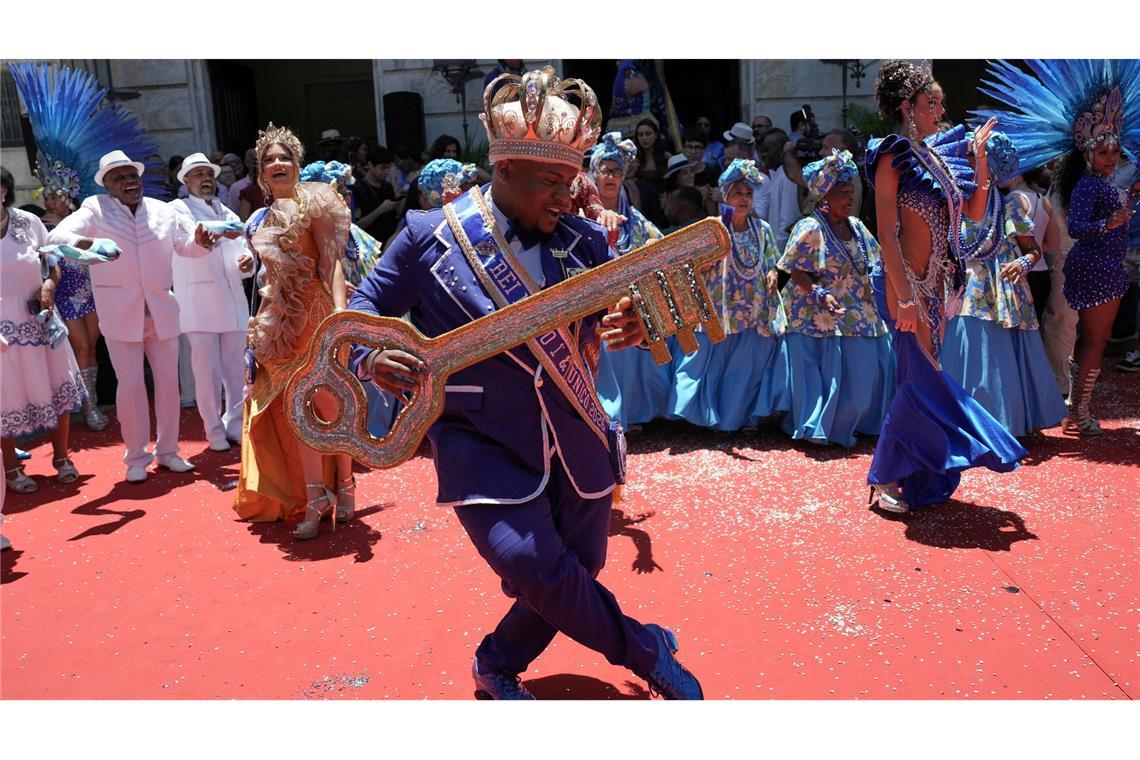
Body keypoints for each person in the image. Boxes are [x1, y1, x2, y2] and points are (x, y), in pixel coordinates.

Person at [351, 66, 702, 700]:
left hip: (576, 433)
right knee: (532, 565)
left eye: (572, 181)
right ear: (503, 170)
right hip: (478, 440)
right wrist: (369, 362)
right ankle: (644, 650)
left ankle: (496, 661)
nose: (567, 196)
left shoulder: (583, 239)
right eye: (550, 181)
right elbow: (353, 322)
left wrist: (631, 322)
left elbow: (624, 310)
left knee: (577, 571)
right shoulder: (427, 238)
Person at [864, 60, 1026, 513]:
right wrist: (906, 295)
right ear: (906, 107)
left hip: (937, 289)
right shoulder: (890, 153)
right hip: (904, 284)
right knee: (919, 381)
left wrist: (978, 160)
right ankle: (887, 478)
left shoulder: (937, 158)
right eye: (929, 101)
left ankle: (916, 470)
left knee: (918, 378)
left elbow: (973, 213)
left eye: (940, 101)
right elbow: (887, 233)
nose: (939, 108)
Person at [974, 59, 1140, 434]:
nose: (1111, 159)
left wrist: (1128, 198)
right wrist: (1108, 222)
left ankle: (1076, 407)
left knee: (1092, 338)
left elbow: (1106, 220)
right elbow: (1079, 227)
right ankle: (1077, 412)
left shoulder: (1100, 184)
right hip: (1095, 267)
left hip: (1106, 266)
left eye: (1115, 153)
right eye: (1104, 153)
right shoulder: (1086, 186)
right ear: (1086, 154)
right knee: (1093, 339)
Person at [47, 150, 202, 482]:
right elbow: (56, 237)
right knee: (130, 388)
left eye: (132, 175)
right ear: (107, 185)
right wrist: (88, 243)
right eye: (119, 177)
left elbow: (187, 247)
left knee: (169, 387)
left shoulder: (163, 211)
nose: (129, 181)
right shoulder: (95, 208)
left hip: (162, 312)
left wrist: (203, 241)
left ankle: (169, 451)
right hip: (120, 315)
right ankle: (135, 458)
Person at [233, 123, 355, 540]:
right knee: (296, 410)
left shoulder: (316, 201)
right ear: (261, 172)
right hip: (278, 320)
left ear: (297, 164)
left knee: (330, 405)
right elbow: (268, 268)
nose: (278, 164)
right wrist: (252, 269)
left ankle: (346, 484)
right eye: (269, 159)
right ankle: (315, 495)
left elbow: (331, 261)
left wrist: (340, 311)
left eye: (284, 157)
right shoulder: (262, 217)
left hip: (315, 317)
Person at [940, 133, 1068, 437]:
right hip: (966, 292)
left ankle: (999, 425)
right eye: (970, 156)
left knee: (996, 362)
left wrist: (1021, 264)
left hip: (1003, 294)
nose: (967, 162)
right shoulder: (956, 204)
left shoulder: (1009, 206)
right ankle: (966, 423)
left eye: (974, 157)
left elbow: (1034, 249)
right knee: (967, 357)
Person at [777, 150, 893, 447]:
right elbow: (794, 271)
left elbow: (878, 261)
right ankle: (820, 428)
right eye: (843, 191)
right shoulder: (810, 227)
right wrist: (819, 293)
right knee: (826, 380)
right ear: (825, 196)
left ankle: (861, 424)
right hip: (819, 315)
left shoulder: (856, 226)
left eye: (851, 190)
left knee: (866, 379)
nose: (850, 196)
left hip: (861, 312)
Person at [669, 159, 787, 431]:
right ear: (726, 195)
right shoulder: (714, 227)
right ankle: (706, 418)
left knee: (745, 370)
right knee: (713, 365)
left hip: (753, 309)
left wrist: (772, 275)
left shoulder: (763, 229)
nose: (744, 199)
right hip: (719, 307)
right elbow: (692, 266)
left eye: (748, 194)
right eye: (737, 193)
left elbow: (774, 262)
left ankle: (739, 418)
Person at [2, 166, 85, 493]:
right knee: (4, 397)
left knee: (56, 383)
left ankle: (62, 458)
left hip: (40, 316)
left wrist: (49, 285)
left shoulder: (28, 221)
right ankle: (10, 469)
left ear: (4, 190)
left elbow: (51, 261)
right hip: (2, 328)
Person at [168, 153, 254, 452]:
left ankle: (235, 422)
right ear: (186, 180)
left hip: (232, 300)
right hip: (199, 300)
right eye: (198, 174)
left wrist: (248, 262)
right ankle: (213, 428)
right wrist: (206, 240)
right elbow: (184, 247)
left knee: (236, 370)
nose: (206, 179)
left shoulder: (227, 211)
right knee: (207, 372)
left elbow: (243, 248)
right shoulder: (176, 211)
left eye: (209, 174)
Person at [588, 132, 671, 431]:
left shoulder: (634, 219)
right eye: (605, 170)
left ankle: (632, 413)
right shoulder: (583, 215)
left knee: (628, 349)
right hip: (594, 298)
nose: (610, 176)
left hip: (626, 299)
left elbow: (658, 247)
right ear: (594, 174)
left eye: (616, 171)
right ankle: (602, 415)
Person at [756, 130, 802, 251]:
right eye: (762, 151)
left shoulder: (789, 177)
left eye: (768, 150)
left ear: (782, 150)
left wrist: (779, 256)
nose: (764, 155)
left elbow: (788, 221)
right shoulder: (778, 174)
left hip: (783, 252)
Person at [350, 144, 401, 245]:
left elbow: (395, 216)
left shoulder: (388, 187)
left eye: (388, 168)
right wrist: (381, 209)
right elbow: (357, 225)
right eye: (382, 168)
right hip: (370, 246)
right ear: (370, 165)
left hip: (388, 243)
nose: (386, 172)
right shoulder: (358, 189)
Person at [633, 118, 670, 190]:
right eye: (640, 135)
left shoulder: (666, 157)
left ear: (656, 135)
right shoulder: (634, 160)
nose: (644, 138)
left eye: (648, 134)